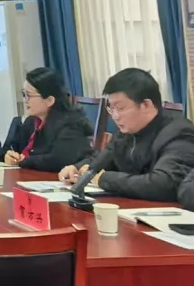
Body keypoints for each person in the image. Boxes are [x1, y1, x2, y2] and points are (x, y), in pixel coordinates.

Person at [60, 68, 194, 202]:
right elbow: (101, 160)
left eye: (120, 108)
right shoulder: (126, 131)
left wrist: (104, 179)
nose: (115, 116)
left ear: (146, 105)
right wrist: (77, 169)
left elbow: (165, 184)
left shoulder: (179, 132)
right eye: (111, 108)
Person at [0, 68, 94, 172]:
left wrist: (23, 161)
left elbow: (57, 160)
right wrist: (9, 156)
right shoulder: (31, 121)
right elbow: (9, 149)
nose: (25, 100)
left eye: (29, 95)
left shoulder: (71, 125)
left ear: (49, 100)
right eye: (23, 94)